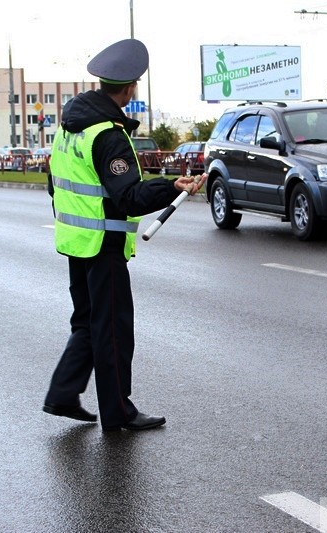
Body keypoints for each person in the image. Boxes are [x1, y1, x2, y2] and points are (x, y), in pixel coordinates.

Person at [42, 38, 206, 431]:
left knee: (86, 322)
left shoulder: (70, 127)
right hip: (103, 245)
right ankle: (118, 412)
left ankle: (64, 393)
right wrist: (173, 186)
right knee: (112, 330)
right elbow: (129, 196)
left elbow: (54, 184)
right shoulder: (107, 134)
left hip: (76, 243)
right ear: (131, 88)